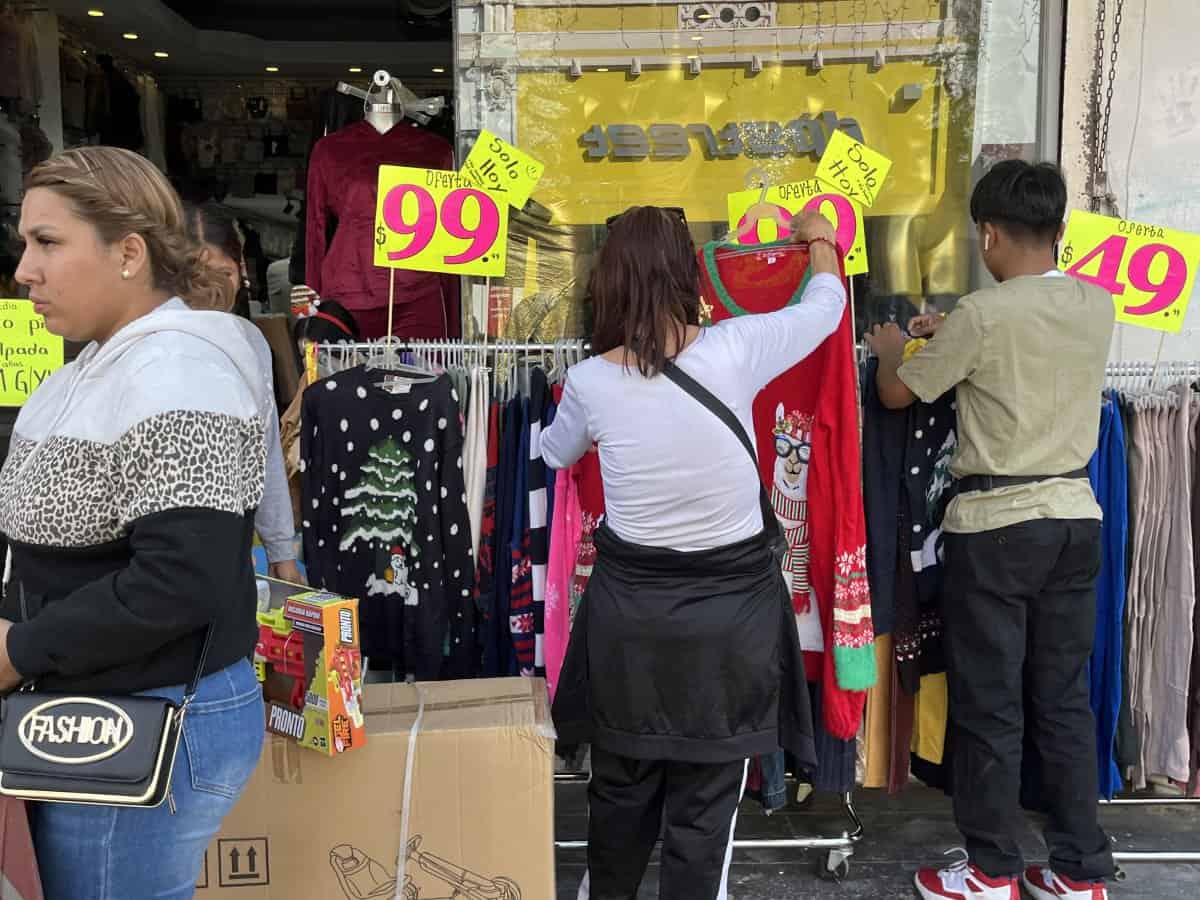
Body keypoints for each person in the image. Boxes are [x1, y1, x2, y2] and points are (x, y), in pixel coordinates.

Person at [543, 205, 846, 899]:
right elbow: (826, 308)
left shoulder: (590, 382)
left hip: (630, 632)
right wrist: (819, 240)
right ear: (687, 273)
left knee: (619, 800)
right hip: (729, 632)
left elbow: (556, 453)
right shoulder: (737, 349)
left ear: (608, 281)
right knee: (705, 813)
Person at [0, 146, 268, 899]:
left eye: (48, 242)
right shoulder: (100, 366)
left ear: (128, 253)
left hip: (146, 721)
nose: (24, 270)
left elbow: (183, 579)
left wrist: (18, 650)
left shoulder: (176, 371)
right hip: (97, 714)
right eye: (25, 243)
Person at [865, 160, 1116, 900]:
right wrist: (955, 331)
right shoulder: (1096, 304)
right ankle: (1079, 870)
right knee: (1062, 702)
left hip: (996, 529)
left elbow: (896, 393)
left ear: (988, 235)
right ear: (1059, 230)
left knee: (990, 705)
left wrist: (892, 349)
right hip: (1075, 520)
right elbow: (1028, 338)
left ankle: (992, 869)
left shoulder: (981, 315)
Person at [186, 201, 304, 585]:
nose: (212, 288)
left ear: (240, 269)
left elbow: (266, 449)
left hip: (232, 546)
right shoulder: (151, 343)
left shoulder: (250, 342)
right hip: (163, 549)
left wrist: (281, 551)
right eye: (197, 274)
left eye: (223, 273)